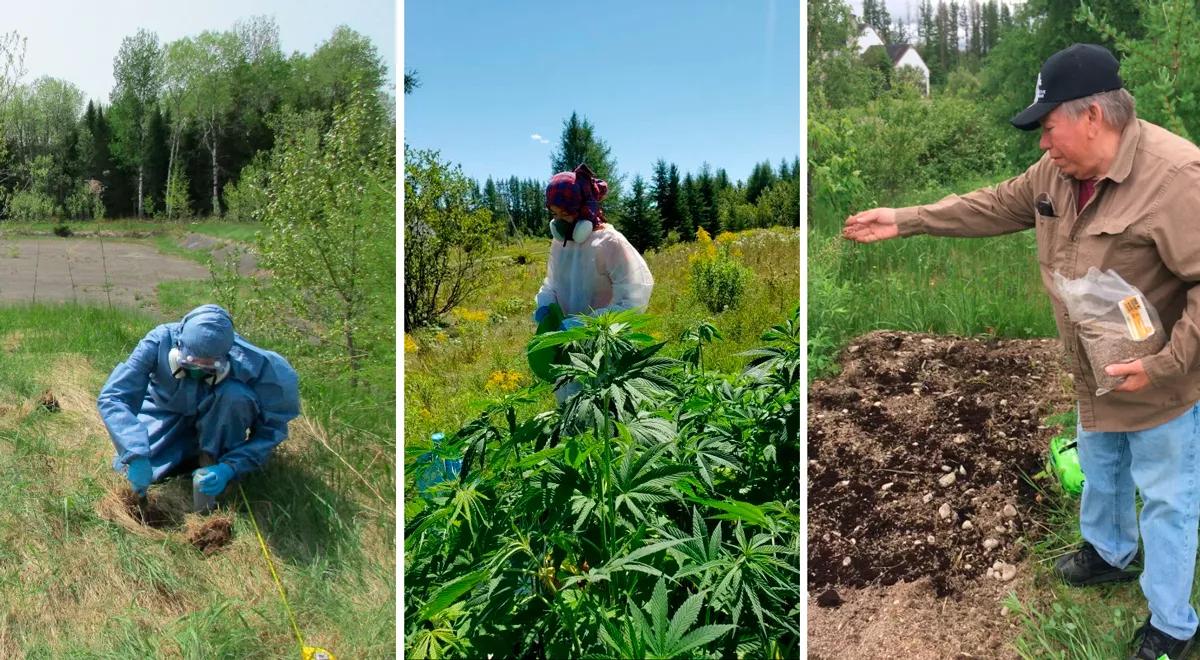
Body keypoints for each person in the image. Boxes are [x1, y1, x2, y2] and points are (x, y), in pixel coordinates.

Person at [843, 43, 1200, 660]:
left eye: (1048, 125)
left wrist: (1163, 366)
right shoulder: (1057, 175)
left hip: (1161, 378)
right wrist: (908, 219)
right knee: (1101, 461)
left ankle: (1172, 623)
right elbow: (995, 203)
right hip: (1092, 368)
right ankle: (1109, 552)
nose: (1042, 142)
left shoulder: (1177, 179)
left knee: (1167, 495)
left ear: (1093, 116)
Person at [98, 304, 300, 505]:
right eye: (190, 365)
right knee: (126, 470)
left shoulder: (256, 365)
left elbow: (272, 429)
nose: (197, 372)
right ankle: (177, 455)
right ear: (178, 347)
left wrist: (230, 467)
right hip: (165, 412)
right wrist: (134, 452)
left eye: (208, 368)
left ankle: (216, 463)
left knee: (235, 395)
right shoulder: (159, 342)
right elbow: (114, 397)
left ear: (226, 356)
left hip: (219, 420)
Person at [533, 164, 654, 403]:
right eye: (554, 215)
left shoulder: (609, 242)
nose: (559, 222)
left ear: (583, 209)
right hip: (567, 342)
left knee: (606, 409)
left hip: (604, 342)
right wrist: (544, 305)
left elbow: (634, 294)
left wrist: (589, 324)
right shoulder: (561, 243)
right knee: (573, 408)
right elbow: (552, 283)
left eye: (565, 214)